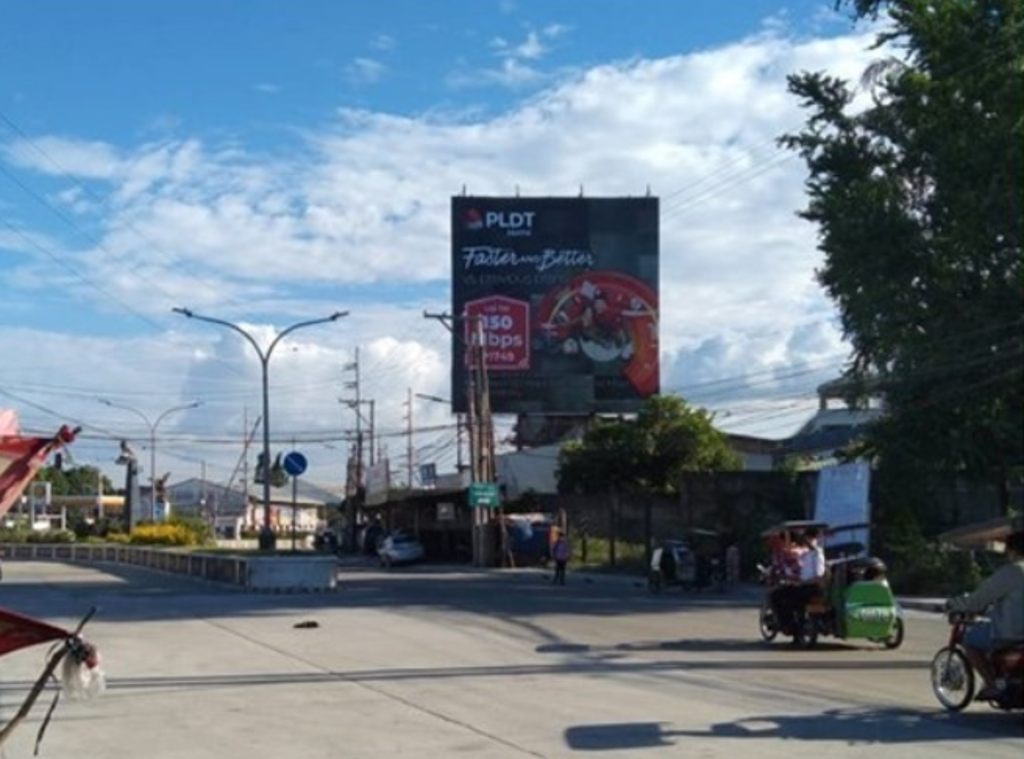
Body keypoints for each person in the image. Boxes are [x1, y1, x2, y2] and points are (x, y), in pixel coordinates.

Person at [946, 529, 1024, 698]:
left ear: (1011, 550)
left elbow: (979, 599)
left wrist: (954, 604)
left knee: (970, 640)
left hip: (1011, 634)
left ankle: (992, 684)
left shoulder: (1013, 571)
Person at [773, 530, 827, 636]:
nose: (808, 541)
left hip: (811, 588)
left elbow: (819, 577)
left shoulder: (817, 553)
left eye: (810, 539)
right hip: (803, 585)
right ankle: (794, 625)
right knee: (781, 593)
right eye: (807, 539)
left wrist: (802, 583)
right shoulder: (807, 553)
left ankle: (789, 627)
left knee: (777, 596)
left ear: (816, 540)